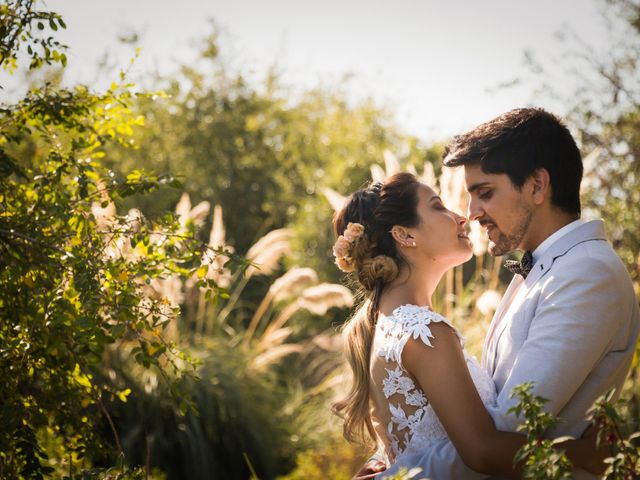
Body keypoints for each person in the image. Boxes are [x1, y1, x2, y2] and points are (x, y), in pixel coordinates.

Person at [348, 108, 639, 479]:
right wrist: (392, 458)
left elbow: (501, 435)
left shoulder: (587, 273)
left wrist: (398, 475)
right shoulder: (533, 271)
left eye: (484, 193)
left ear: (537, 185)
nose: (471, 213)